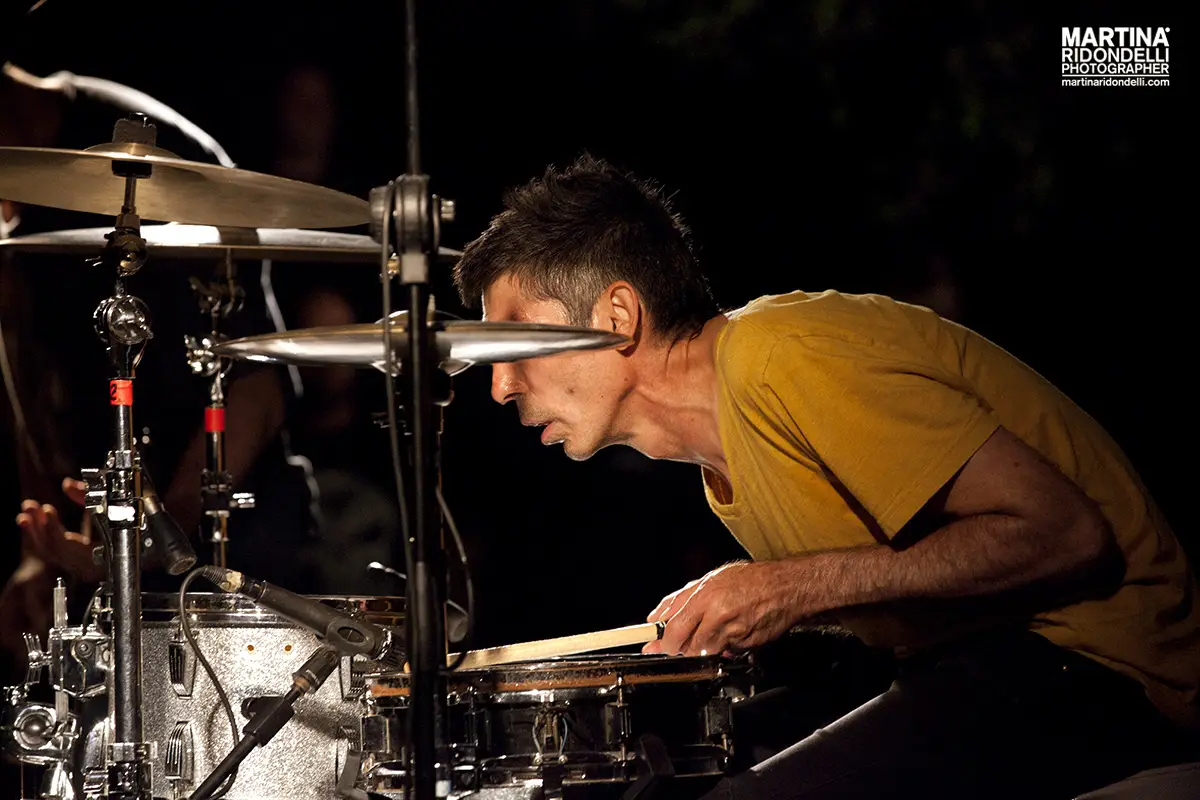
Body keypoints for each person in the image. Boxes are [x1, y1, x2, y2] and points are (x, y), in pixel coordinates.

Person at [450, 154, 1200, 799]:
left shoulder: (782, 357)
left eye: (515, 346)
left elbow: (1065, 534)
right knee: (653, 773)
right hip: (970, 655)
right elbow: (900, 579)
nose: (500, 387)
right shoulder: (718, 449)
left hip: (1100, 668)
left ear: (617, 316)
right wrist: (760, 609)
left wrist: (785, 589)